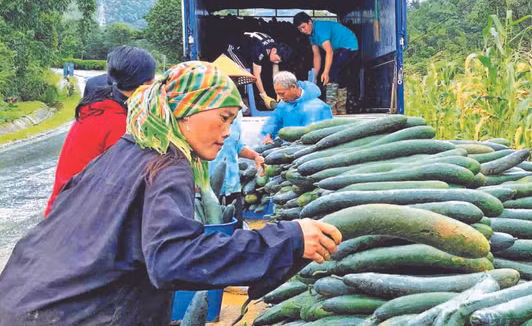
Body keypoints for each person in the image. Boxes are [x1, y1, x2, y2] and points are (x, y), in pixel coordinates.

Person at [0, 61, 341, 325]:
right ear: (185, 110)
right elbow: (174, 258)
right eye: (222, 118)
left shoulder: (128, 150)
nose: (227, 132)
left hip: (21, 299)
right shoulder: (167, 165)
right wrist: (289, 239)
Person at [45, 46, 157, 216]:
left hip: (62, 208)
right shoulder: (120, 124)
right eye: (153, 82)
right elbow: (127, 186)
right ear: (144, 85)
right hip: (77, 217)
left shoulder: (99, 105)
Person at [210, 54, 266, 229]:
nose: (231, 87)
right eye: (227, 82)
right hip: (206, 187)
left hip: (232, 184)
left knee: (236, 233)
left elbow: (236, 146)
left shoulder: (238, 112)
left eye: (234, 83)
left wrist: (255, 156)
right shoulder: (202, 112)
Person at [293, 12, 359, 114]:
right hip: (339, 49)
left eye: (304, 27)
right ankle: (341, 109)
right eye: (300, 29)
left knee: (332, 73)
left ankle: (331, 107)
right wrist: (315, 75)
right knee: (339, 75)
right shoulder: (312, 36)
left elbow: (329, 51)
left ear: (310, 22)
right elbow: (317, 56)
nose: (303, 31)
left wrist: (326, 72)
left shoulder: (320, 29)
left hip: (349, 45)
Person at [260, 71, 333, 144]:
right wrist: (268, 134)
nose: (280, 98)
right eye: (278, 94)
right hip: (288, 147)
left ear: (293, 87)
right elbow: (274, 119)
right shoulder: (284, 103)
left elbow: (313, 136)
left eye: (282, 94)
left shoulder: (317, 107)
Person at [226, 31, 293, 110]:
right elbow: (257, 75)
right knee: (246, 74)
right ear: (274, 51)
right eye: (277, 59)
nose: (277, 62)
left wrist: (278, 93)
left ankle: (242, 101)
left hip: (246, 51)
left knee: (248, 74)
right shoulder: (260, 49)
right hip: (233, 48)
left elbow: (275, 75)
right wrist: (264, 97)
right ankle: (237, 101)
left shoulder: (274, 48)